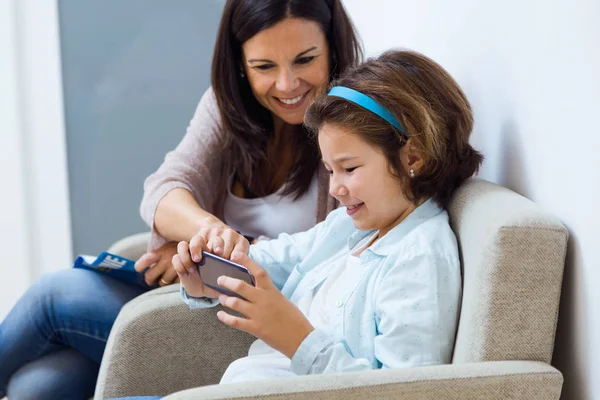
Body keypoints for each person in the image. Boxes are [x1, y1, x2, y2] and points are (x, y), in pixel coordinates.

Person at [0, 1, 362, 399]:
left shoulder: (353, 126)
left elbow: (337, 257)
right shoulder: (227, 107)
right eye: (264, 67)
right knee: (38, 385)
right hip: (200, 296)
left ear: (332, 47)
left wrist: (220, 250)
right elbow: (164, 187)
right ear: (240, 63)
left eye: (305, 59)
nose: (287, 84)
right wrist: (207, 231)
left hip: (255, 327)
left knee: (55, 296)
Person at [166, 49, 483, 390]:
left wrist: (298, 339)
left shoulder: (419, 258)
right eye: (330, 170)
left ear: (414, 157)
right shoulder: (349, 228)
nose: (336, 187)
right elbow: (272, 260)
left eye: (349, 168)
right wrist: (210, 267)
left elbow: (405, 392)